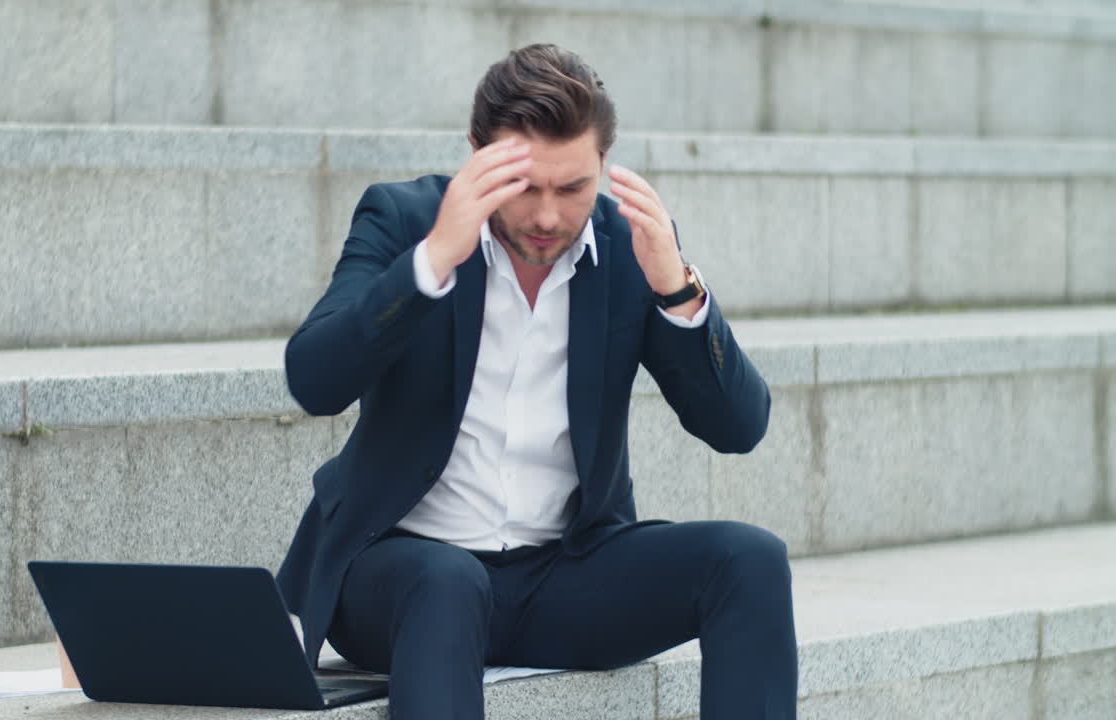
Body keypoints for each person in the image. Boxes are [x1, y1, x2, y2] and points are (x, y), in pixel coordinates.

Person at [278, 43, 797, 719]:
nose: (549, 216)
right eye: (526, 186)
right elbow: (314, 379)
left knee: (749, 560)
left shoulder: (626, 248)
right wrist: (434, 260)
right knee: (448, 581)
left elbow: (738, 428)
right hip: (402, 575)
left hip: (563, 576)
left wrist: (676, 290)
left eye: (573, 187)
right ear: (476, 155)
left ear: (603, 165)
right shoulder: (405, 220)